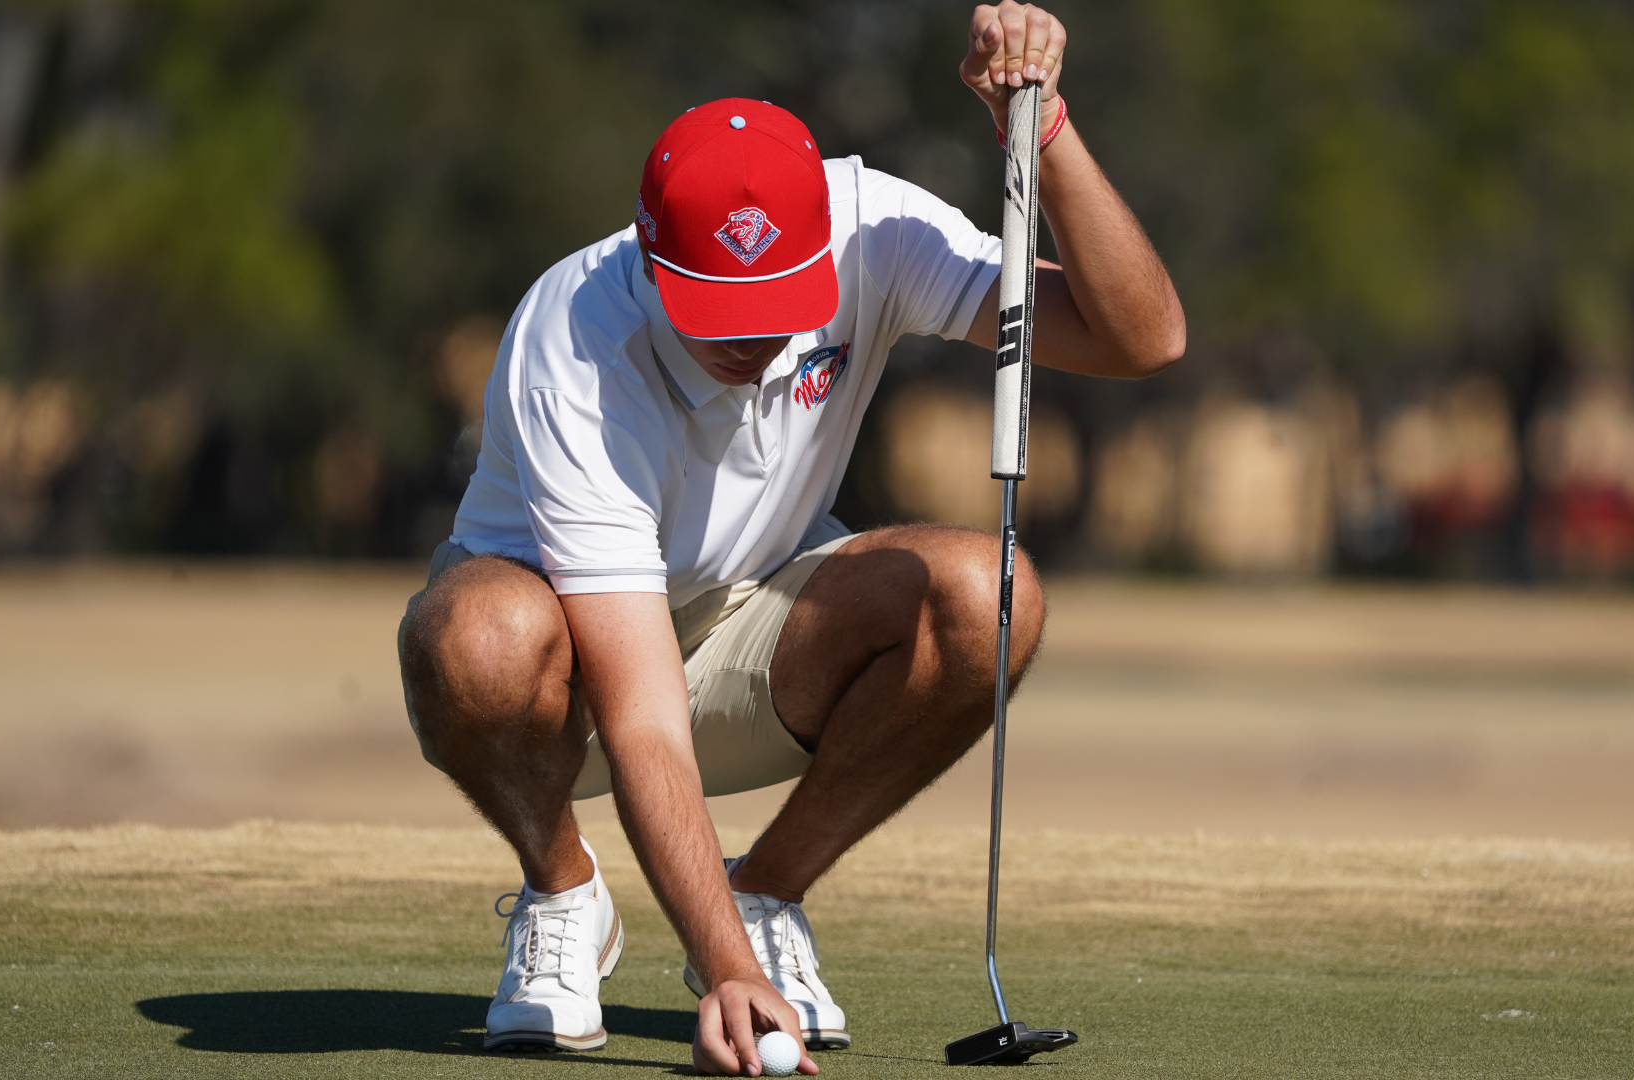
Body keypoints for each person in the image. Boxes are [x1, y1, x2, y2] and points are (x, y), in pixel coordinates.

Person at [396, 3, 1183, 1074]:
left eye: (777, 302)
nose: (754, 339)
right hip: (556, 680)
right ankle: (564, 892)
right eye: (719, 308)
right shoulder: (574, 342)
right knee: (477, 637)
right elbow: (644, 720)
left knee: (985, 593)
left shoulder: (872, 225)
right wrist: (721, 967)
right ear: (649, 257)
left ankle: (766, 891)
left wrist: (1041, 134)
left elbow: (1141, 339)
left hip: (752, 621)